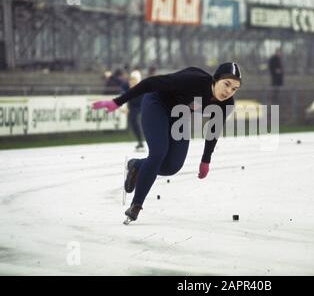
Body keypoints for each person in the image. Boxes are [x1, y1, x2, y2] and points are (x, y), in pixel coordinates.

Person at [92, 62, 242, 223]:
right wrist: (118, 101)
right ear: (216, 79)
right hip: (157, 104)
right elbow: (150, 83)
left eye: (234, 89)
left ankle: (137, 165)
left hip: (180, 116)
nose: (228, 91)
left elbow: (213, 130)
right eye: (226, 84)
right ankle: (136, 205)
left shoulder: (226, 104)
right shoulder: (193, 79)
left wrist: (206, 160)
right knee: (158, 153)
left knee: (172, 166)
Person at [127, 68, 144, 151]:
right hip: (133, 110)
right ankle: (139, 142)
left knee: (136, 122)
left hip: (139, 109)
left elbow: (139, 101)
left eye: (133, 79)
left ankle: (141, 142)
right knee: (133, 124)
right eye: (131, 79)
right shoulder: (131, 89)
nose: (131, 81)